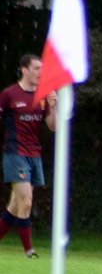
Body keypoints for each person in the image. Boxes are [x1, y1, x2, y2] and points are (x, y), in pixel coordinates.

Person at [0, 54, 56, 257]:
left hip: (34, 154)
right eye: (36, 68)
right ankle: (29, 251)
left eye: (42, 69)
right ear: (24, 70)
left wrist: (53, 106)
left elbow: (54, 127)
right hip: (15, 153)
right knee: (26, 201)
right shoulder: (9, 94)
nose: (41, 72)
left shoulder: (44, 96)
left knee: (16, 205)